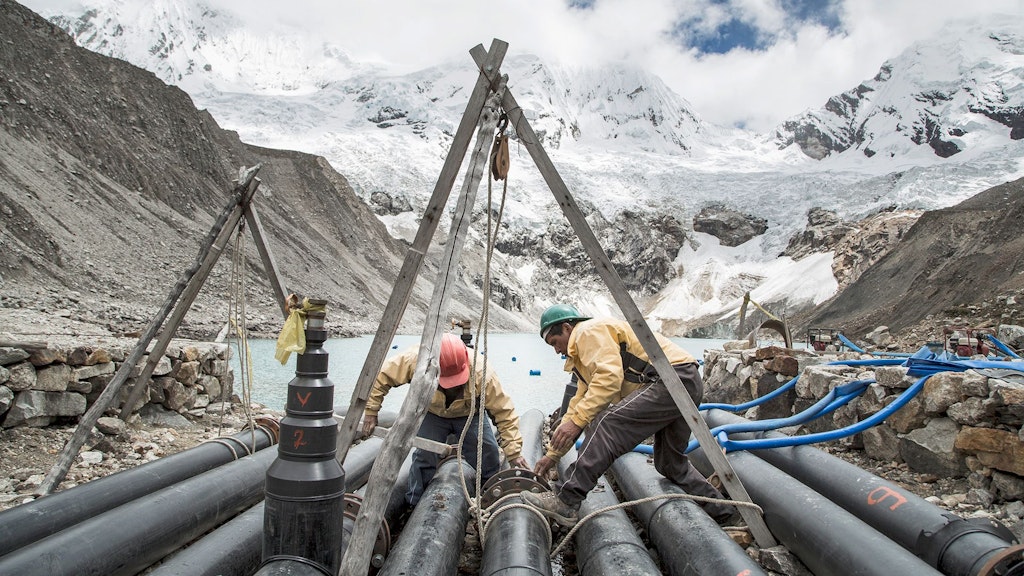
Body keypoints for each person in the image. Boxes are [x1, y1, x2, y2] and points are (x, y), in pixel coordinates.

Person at [520, 304, 739, 527]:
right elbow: (579, 402)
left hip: (671, 379)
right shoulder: (584, 353)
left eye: (555, 343)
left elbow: (609, 379)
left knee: (607, 424)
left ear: (567, 328)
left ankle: (567, 500)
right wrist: (553, 455)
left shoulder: (587, 332)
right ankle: (724, 512)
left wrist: (577, 423)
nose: (556, 351)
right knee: (670, 465)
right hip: (683, 380)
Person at [362, 333, 529, 505]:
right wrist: (371, 410)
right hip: (433, 413)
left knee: (487, 452)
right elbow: (382, 376)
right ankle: (415, 504)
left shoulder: (482, 372)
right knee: (424, 455)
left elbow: (504, 412)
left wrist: (514, 452)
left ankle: (489, 497)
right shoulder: (415, 360)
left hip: (470, 415)